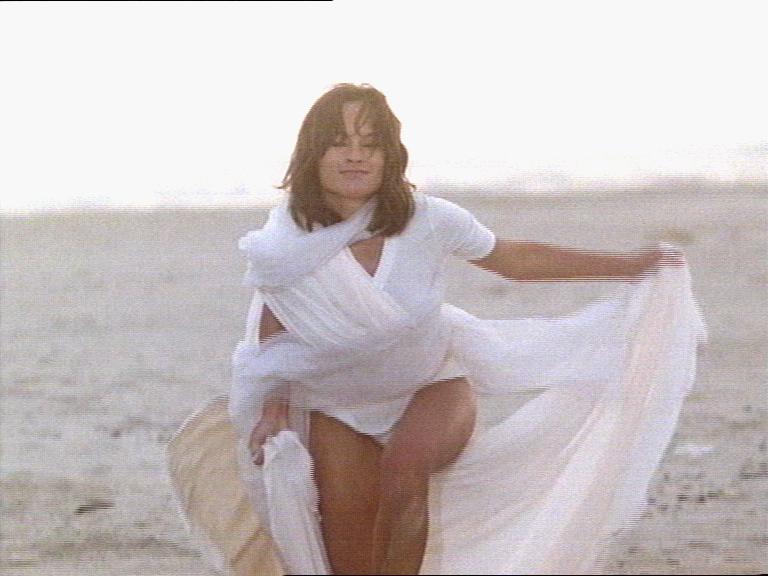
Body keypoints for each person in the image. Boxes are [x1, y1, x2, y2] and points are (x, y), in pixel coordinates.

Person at [168, 83, 706, 576]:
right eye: (339, 143)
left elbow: (512, 259)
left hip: (432, 385)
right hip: (335, 405)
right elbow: (273, 336)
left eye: (370, 144)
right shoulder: (284, 244)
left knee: (404, 474)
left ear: (390, 155)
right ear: (313, 154)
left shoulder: (427, 219)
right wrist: (272, 405)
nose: (355, 155)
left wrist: (626, 264)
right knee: (350, 561)